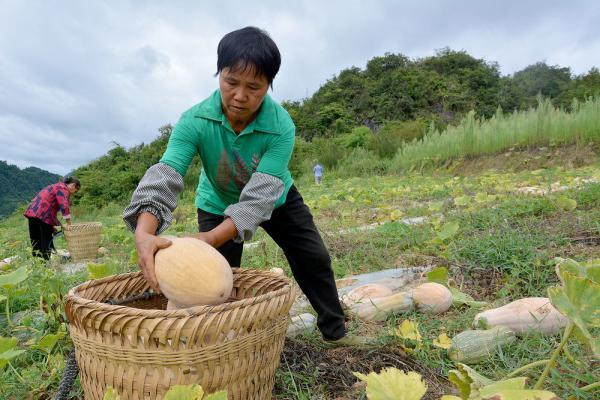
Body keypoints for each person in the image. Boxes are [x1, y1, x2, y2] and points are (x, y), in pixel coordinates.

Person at [123, 26, 368, 346]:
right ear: (218, 74)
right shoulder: (194, 121)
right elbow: (166, 175)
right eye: (231, 82)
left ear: (268, 85)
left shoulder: (280, 127)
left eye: (254, 86)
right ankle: (219, 346)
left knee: (314, 258)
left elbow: (259, 198)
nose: (240, 95)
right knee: (211, 283)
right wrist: (144, 232)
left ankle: (335, 332)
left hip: (277, 200)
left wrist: (210, 238)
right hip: (216, 202)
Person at [24, 177, 80, 260]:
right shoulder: (63, 188)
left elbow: (49, 203)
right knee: (46, 240)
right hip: (43, 215)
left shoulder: (55, 186)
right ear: (73, 185)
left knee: (36, 239)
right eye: (76, 190)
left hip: (32, 212)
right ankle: (45, 263)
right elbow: (64, 206)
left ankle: (37, 262)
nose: (74, 192)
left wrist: (51, 226)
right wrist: (69, 224)